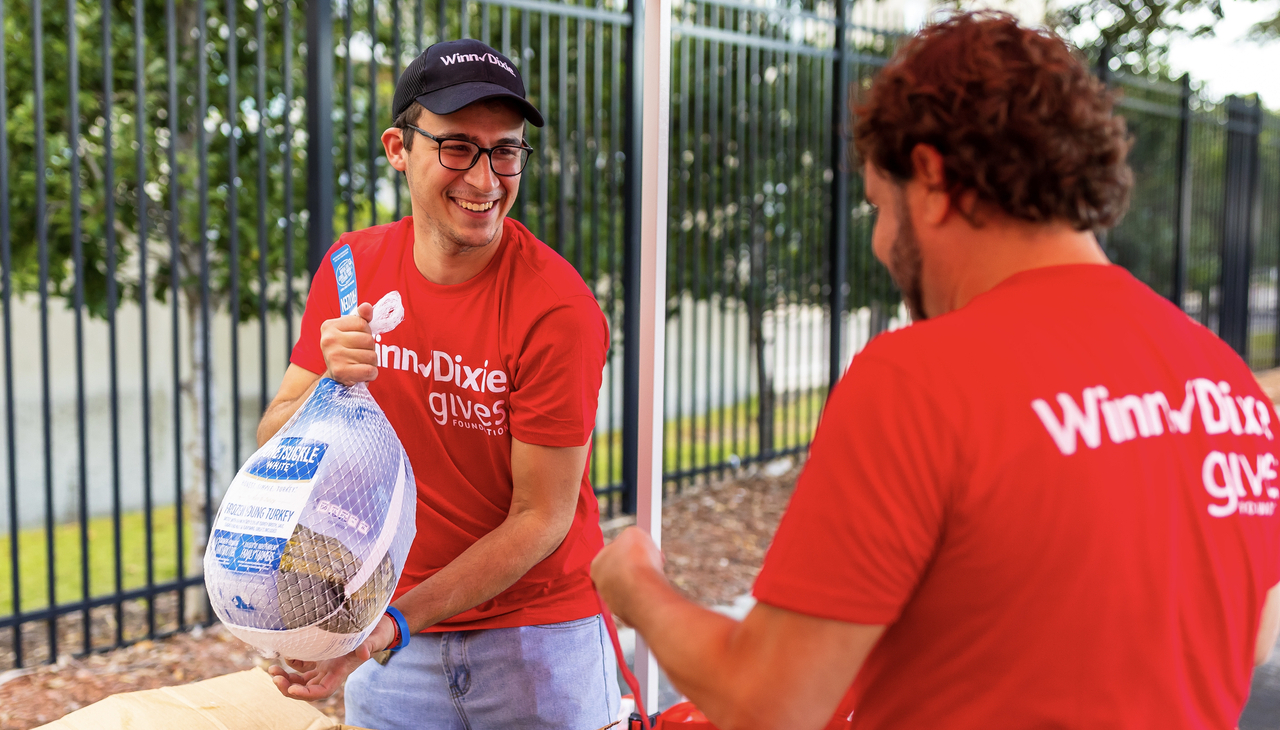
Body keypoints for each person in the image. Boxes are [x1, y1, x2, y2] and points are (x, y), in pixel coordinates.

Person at [591, 12, 1280, 730]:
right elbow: (1250, 635)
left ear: (931, 176)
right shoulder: (1225, 383)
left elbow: (772, 703)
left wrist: (636, 581)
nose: (885, 246)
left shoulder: (920, 382)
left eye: (878, 209)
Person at [258, 38, 620, 730]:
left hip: (536, 642)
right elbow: (274, 435)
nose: (485, 181)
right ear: (399, 148)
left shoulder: (558, 308)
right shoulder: (351, 271)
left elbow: (541, 518)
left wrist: (391, 623)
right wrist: (328, 386)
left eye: (505, 151)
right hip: (393, 645)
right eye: (457, 147)